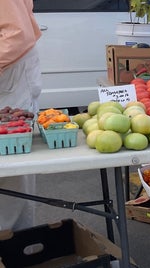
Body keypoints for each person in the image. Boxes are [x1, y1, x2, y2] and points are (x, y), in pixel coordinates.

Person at [0, 0, 43, 231]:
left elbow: (17, 34)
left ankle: (14, 242)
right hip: (9, 73)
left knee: (12, 164)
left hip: (10, 73)